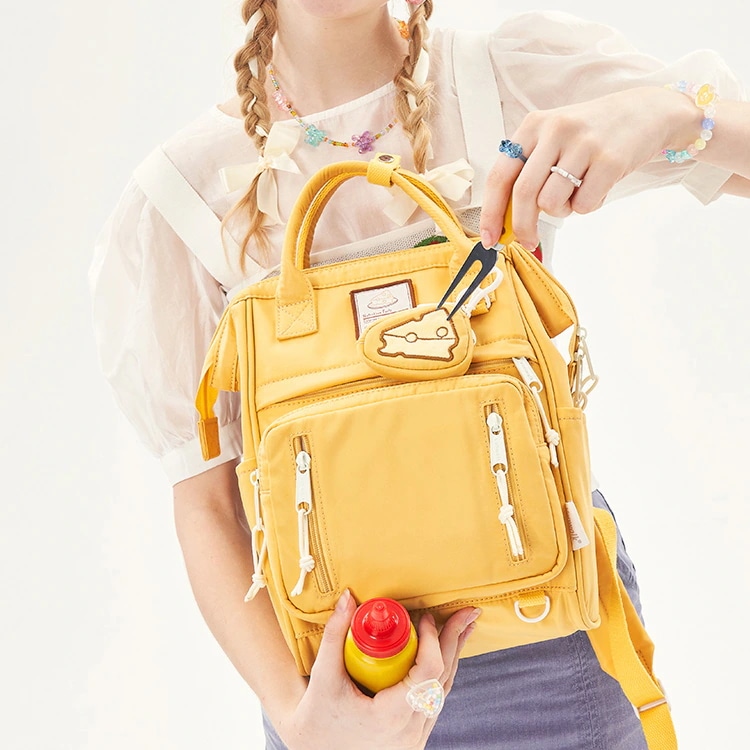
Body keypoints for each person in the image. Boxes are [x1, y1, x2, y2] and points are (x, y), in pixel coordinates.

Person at [89, 2, 750, 748]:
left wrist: (666, 117)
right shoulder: (182, 195)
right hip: (342, 687)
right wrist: (301, 722)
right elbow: (206, 501)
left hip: (554, 648)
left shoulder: (502, 80)